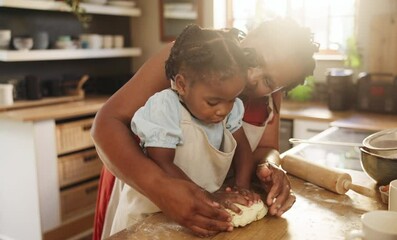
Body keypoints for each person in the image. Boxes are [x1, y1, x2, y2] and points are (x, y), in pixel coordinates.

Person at [92, 17, 318, 239]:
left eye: (268, 82)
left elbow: (266, 147)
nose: (251, 77)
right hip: (141, 181)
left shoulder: (269, 99)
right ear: (248, 33)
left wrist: (269, 166)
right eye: (253, 58)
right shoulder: (192, 57)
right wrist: (161, 188)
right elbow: (106, 123)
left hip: (212, 201)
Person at [105, 24, 261, 236]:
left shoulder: (230, 109)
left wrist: (243, 187)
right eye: (213, 101)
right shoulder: (165, 108)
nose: (223, 110)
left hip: (196, 211)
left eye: (232, 100)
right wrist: (208, 197)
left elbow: (243, 150)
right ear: (182, 84)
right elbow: (162, 162)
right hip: (149, 216)